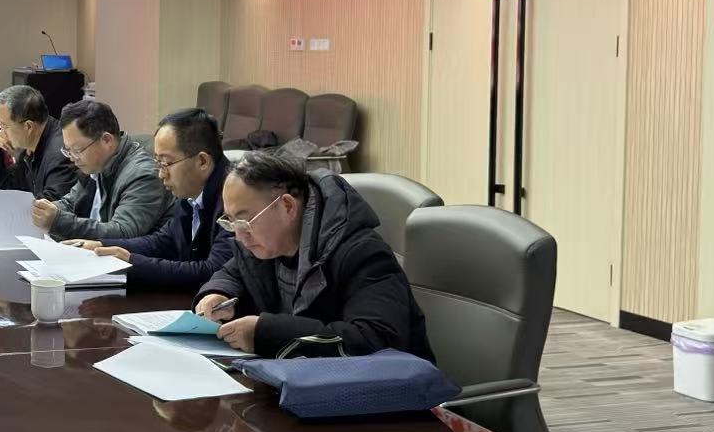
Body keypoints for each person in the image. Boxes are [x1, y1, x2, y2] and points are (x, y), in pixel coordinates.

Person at [194, 150, 434, 359]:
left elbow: (375, 339)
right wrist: (218, 293)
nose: (239, 235)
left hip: (384, 391)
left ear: (288, 206)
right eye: (230, 221)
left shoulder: (361, 253)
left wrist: (267, 334)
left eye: (244, 221)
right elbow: (234, 271)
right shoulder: (265, 245)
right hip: (304, 380)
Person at [67, 107, 234, 289]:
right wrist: (100, 246)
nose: (161, 174)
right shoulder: (190, 192)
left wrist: (133, 262)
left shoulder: (234, 199)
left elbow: (213, 271)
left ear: (202, 161)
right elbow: (163, 241)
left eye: (166, 163)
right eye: (158, 162)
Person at [32, 99, 168, 241]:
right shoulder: (95, 166)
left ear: (106, 140)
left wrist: (58, 222)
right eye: (68, 150)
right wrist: (41, 210)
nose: (72, 158)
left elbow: (123, 233)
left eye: (77, 150)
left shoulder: (143, 175)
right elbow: (70, 203)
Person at [0, 84, 78, 199]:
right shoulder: (31, 143)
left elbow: (49, 204)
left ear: (28, 126)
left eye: (5, 126)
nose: (1, 133)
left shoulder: (60, 154)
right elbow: (9, 187)